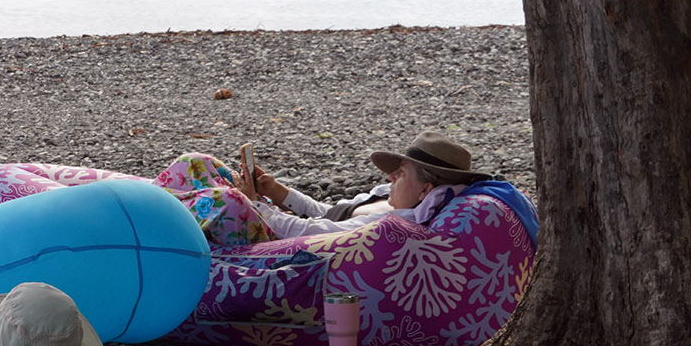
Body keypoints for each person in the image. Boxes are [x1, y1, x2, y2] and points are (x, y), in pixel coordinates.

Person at [155, 131, 491, 247]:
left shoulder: (386, 226)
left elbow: (311, 232)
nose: (390, 178)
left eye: (400, 174)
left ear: (425, 190)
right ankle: (155, 198)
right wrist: (277, 192)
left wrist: (252, 203)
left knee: (225, 201)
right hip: (276, 218)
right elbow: (324, 212)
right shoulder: (381, 199)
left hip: (282, 241)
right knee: (196, 161)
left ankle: (154, 217)